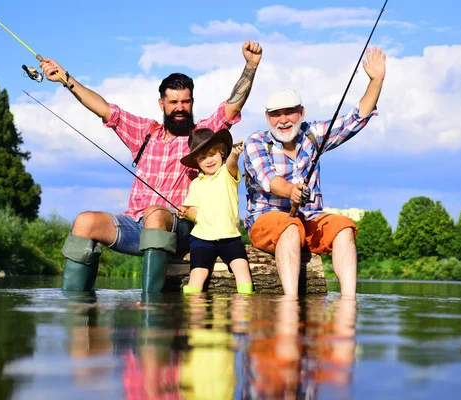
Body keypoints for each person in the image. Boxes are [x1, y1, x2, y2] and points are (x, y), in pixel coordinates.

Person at [40, 41, 262, 293]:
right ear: (162, 104)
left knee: (156, 213)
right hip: (137, 225)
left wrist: (250, 66)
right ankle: (77, 308)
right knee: (84, 222)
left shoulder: (200, 139)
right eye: (174, 102)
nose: (180, 108)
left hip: (179, 228)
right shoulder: (145, 132)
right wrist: (65, 78)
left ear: (192, 102)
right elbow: (102, 108)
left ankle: (150, 307)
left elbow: (232, 107)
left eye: (185, 102)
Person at [243, 46, 386, 297]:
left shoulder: (313, 133)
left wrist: (376, 81)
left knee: (344, 227)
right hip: (267, 220)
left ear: (302, 113)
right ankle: (290, 300)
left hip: (310, 218)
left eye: (289, 112)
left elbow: (356, 118)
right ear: (267, 117)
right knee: (288, 226)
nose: (283, 119)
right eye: (276, 114)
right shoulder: (255, 141)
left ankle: (349, 301)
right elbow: (268, 179)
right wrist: (291, 191)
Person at [177, 128, 253, 294]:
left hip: (229, 236)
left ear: (222, 153)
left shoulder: (226, 173)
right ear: (197, 162)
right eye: (202, 158)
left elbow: (232, 162)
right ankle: (194, 305)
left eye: (212, 154)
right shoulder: (196, 183)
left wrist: (235, 153)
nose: (208, 160)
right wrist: (185, 212)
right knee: (198, 272)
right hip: (201, 237)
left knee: (241, 266)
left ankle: (245, 300)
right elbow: (195, 214)